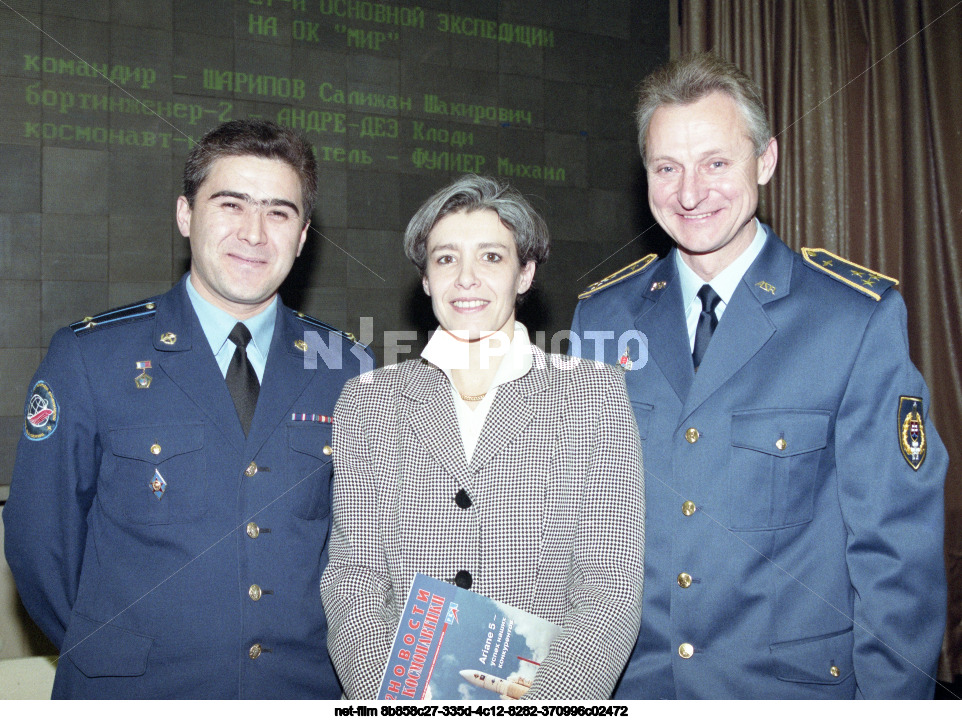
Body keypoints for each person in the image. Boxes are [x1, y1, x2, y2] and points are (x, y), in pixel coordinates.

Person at [570, 53, 948, 699]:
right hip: (636, 687)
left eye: (717, 162)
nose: (690, 193)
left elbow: (896, 555)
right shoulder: (601, 316)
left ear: (765, 161)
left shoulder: (851, 318)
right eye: (668, 168)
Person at [3, 119, 372, 698]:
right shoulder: (91, 356)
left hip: (299, 691)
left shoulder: (348, 367)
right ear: (185, 215)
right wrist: (111, 649)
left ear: (302, 238)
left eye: (279, 213)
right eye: (231, 204)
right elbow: (40, 545)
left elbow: (362, 548)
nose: (254, 233)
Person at [320, 174, 644, 700]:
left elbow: (610, 585)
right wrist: (392, 705)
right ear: (425, 279)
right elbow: (354, 580)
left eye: (491, 257)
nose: (466, 278)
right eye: (446, 259)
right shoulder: (369, 402)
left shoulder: (595, 398)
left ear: (525, 273)